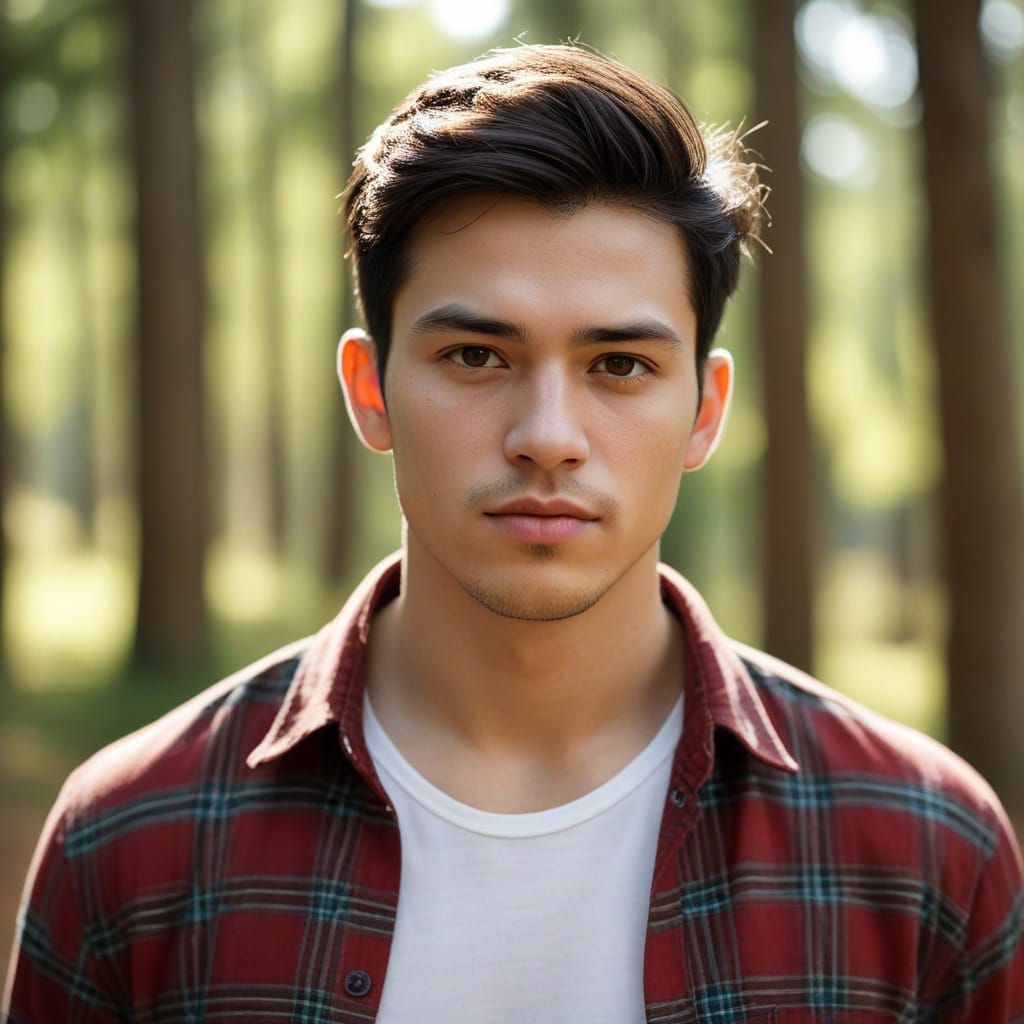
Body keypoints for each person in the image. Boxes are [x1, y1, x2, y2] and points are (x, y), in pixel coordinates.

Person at [4, 43, 1022, 1024]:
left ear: (704, 412)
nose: (547, 437)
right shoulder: (130, 839)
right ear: (370, 390)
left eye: (619, 365)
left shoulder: (926, 848)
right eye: (476, 356)